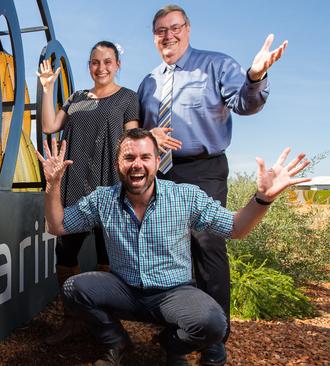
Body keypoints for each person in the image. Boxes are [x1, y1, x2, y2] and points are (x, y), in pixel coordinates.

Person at [36, 128, 309, 366]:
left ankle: (171, 345)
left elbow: (236, 228)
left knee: (213, 324)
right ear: (118, 163)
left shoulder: (184, 196)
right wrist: (53, 184)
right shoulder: (102, 199)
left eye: (145, 157)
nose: (136, 165)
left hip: (173, 294)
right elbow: (58, 226)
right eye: (129, 158)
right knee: (75, 288)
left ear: (157, 161)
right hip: (125, 290)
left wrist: (262, 199)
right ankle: (117, 342)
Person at [137, 5, 288, 364]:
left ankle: (214, 337)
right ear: (154, 36)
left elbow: (246, 104)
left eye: (174, 28)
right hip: (161, 174)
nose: (168, 35)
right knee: (169, 252)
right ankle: (180, 330)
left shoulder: (216, 65)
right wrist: (149, 136)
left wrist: (254, 75)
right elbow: (141, 133)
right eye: (160, 30)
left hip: (203, 170)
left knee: (207, 246)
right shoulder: (148, 82)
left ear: (187, 30)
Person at [37, 40, 145, 344]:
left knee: (107, 257)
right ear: (89, 66)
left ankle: (106, 328)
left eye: (108, 61)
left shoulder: (128, 98)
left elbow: (132, 142)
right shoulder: (76, 98)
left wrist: (149, 142)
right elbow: (48, 125)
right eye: (95, 62)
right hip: (75, 188)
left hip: (111, 188)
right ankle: (71, 320)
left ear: (117, 65)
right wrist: (47, 88)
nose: (101, 68)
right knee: (65, 254)